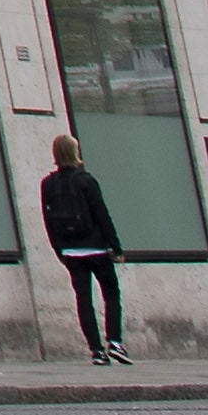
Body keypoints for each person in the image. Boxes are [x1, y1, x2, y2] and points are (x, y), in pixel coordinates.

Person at [39, 131, 128, 366]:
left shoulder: (48, 184)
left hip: (71, 251)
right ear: (75, 152)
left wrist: (59, 250)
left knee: (84, 299)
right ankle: (115, 342)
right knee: (111, 293)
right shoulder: (86, 180)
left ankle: (96, 351)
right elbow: (101, 214)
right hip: (96, 247)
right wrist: (115, 246)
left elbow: (47, 219)